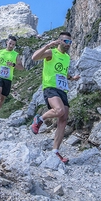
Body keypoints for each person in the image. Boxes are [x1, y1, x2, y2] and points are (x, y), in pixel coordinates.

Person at [30, 32, 80, 163]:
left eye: (70, 42)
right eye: (66, 41)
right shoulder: (51, 52)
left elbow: (63, 71)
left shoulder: (67, 57)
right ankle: (39, 119)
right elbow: (34, 57)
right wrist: (48, 45)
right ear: (60, 41)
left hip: (63, 90)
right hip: (50, 87)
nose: (68, 44)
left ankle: (55, 152)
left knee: (63, 120)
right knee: (59, 110)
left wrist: (71, 78)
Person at [0, 35, 24, 124]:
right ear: (7, 42)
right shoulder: (1, 52)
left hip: (8, 78)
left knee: (2, 98)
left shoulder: (16, 55)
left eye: (13, 44)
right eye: (10, 43)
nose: (11, 45)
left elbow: (21, 67)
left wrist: (13, 65)